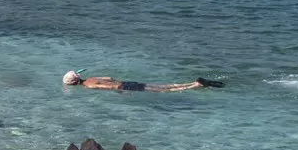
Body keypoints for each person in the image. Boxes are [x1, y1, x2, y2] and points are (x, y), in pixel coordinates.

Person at [62, 70, 221, 92]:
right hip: (126, 81)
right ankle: (190, 82)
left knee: (163, 91)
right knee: (162, 86)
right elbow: (109, 78)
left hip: (124, 87)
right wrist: (118, 84)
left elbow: (107, 86)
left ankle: (195, 85)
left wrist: (120, 92)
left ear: (74, 83)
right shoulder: (91, 78)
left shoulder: (88, 86)